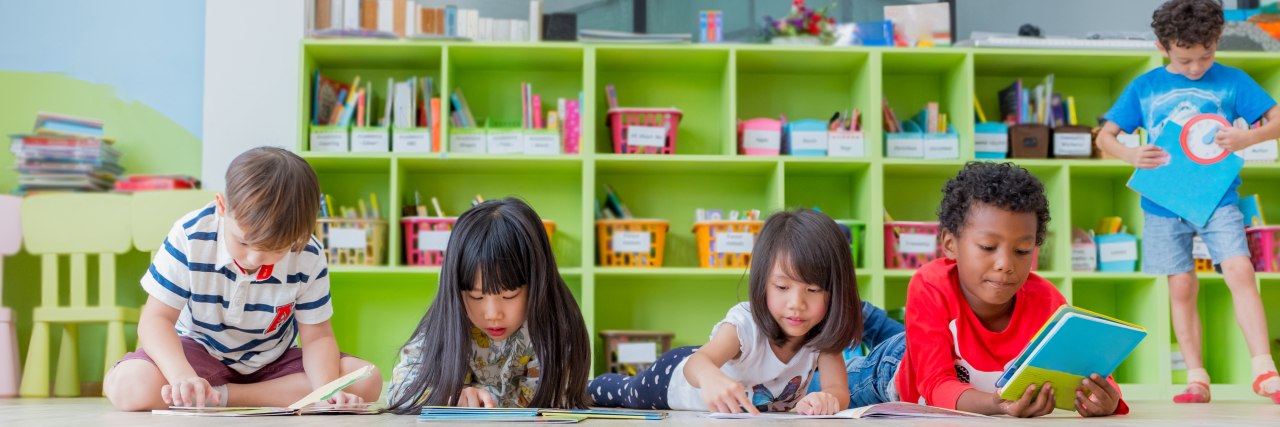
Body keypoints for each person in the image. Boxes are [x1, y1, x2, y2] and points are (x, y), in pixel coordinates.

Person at [1095, 0, 1280, 404]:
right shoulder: (1145, 86)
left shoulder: (1233, 81)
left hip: (1218, 198)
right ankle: (1197, 377)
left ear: (1217, 42)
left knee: (1240, 270)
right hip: (1162, 201)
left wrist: (1249, 138)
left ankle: (1264, 370)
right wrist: (1130, 154)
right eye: (1185, 59)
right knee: (1180, 286)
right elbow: (1104, 137)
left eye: (1206, 55)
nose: (1197, 67)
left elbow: (1277, 119)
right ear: (1163, 48)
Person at [104, 147, 381, 411]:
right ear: (222, 206)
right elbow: (156, 319)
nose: (253, 259)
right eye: (243, 242)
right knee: (129, 385)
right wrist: (182, 377)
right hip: (199, 353)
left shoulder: (308, 253)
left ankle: (220, 397)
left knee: (367, 379)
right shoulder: (190, 235)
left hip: (273, 363)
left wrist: (326, 392)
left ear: (298, 236)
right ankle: (206, 393)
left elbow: (317, 337)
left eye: (275, 250)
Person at [588, 209, 862, 416]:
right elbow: (699, 362)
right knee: (625, 392)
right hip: (673, 379)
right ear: (762, 282)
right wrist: (710, 378)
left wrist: (828, 399)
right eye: (782, 286)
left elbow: (839, 390)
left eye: (813, 290)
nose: (796, 304)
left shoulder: (822, 335)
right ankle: (581, 388)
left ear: (835, 291)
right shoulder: (745, 323)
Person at [386, 198, 591, 412]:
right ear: (456, 289)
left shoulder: (555, 330)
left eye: (510, 295)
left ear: (537, 282)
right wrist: (450, 397)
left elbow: (550, 400)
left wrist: (481, 400)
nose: (493, 314)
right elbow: (399, 390)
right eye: (476, 296)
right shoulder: (447, 320)